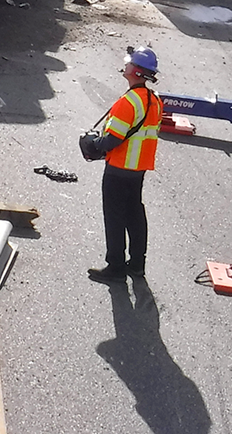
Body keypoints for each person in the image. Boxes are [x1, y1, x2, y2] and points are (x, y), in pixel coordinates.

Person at [85, 46, 164, 284]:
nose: (125, 65)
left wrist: (92, 143)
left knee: (115, 218)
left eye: (130, 63)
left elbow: (112, 140)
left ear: (137, 73)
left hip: (118, 169)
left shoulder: (128, 102)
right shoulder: (155, 101)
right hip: (138, 169)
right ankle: (137, 264)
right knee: (135, 215)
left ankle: (116, 267)